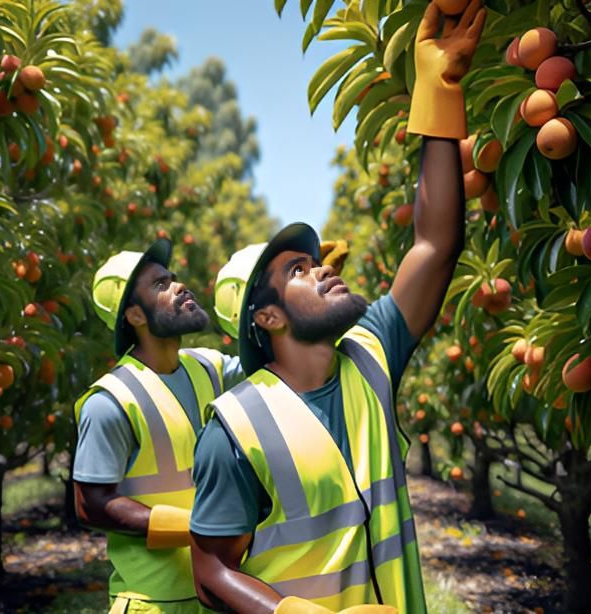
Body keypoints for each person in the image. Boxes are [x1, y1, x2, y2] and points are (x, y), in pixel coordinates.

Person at [189, 2, 487, 613]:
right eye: (297, 270)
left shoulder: (370, 356)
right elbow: (212, 573)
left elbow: (435, 244)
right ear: (267, 316)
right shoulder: (233, 430)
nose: (323, 268)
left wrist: (437, 93)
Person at [73, 238, 244, 613]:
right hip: (154, 602)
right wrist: (194, 527)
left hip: (217, 591)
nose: (180, 286)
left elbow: (269, 362)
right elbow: (90, 505)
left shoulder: (209, 367)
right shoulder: (111, 400)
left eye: (173, 278)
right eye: (160, 285)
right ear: (134, 315)